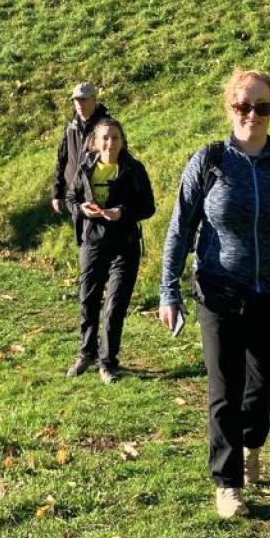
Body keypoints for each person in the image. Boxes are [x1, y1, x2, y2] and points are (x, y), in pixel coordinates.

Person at [159, 68, 270, 519]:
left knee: (261, 384)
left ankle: (252, 444)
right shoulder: (210, 160)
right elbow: (180, 228)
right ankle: (227, 482)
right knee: (223, 387)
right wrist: (168, 291)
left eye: (261, 106)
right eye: (242, 105)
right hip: (218, 288)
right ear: (229, 107)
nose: (251, 114)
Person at [65, 117, 155, 383]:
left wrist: (123, 213)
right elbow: (72, 198)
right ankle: (85, 354)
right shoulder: (85, 167)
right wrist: (81, 208)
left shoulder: (134, 169)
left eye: (115, 138)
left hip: (124, 245)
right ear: (95, 142)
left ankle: (108, 362)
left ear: (123, 141)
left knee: (114, 306)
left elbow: (148, 207)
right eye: (105, 138)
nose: (110, 143)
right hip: (92, 242)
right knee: (88, 300)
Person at [51, 82, 110, 218]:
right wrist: (57, 193)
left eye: (83, 99)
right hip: (75, 194)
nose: (79, 103)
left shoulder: (106, 126)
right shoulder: (71, 127)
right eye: (75, 100)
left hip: (99, 193)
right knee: (80, 236)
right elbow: (62, 160)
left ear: (94, 99)